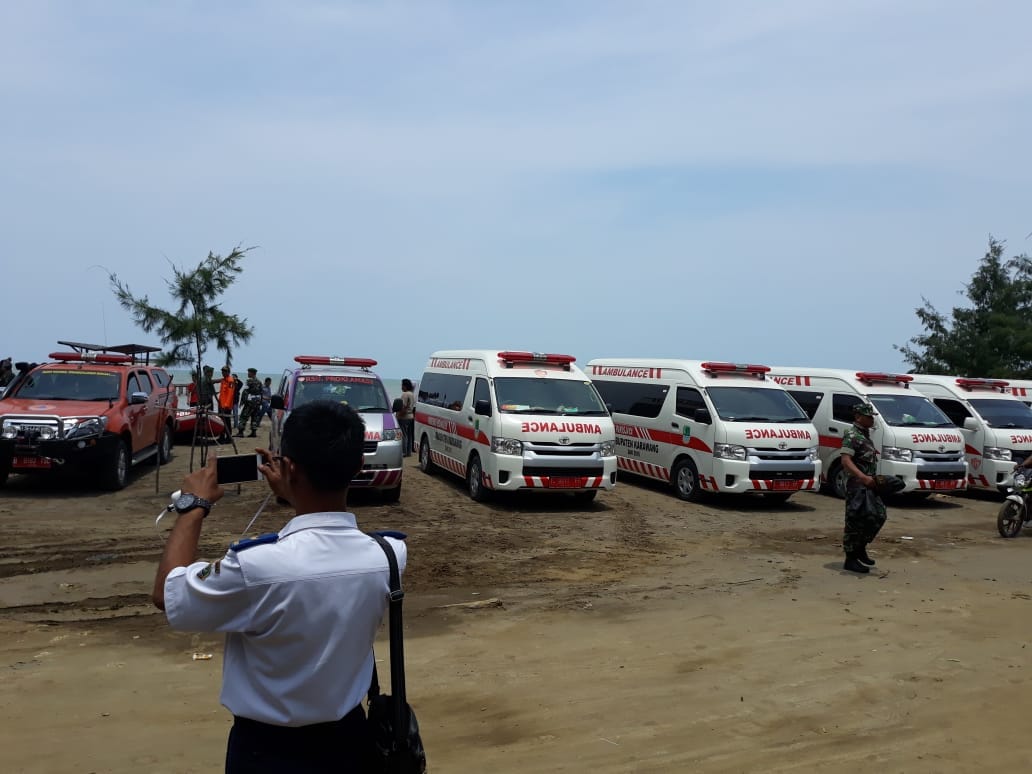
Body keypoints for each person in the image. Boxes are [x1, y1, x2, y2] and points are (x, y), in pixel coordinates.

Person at [152, 400, 407, 773]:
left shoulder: (256, 565)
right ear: (358, 467)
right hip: (351, 743)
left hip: (267, 750)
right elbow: (325, 543)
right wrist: (295, 492)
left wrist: (194, 506)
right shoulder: (390, 555)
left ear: (288, 467)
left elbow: (167, 594)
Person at [839, 403, 886, 574]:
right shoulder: (852, 435)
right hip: (857, 486)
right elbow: (846, 460)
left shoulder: (864, 435)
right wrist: (862, 477)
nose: (872, 419)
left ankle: (860, 548)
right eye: (868, 416)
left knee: (878, 515)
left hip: (869, 486)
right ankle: (850, 558)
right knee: (855, 521)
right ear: (858, 417)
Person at [236, 368, 264, 438]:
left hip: (250, 402)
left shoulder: (249, 381)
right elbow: (261, 393)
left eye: (249, 372)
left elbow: (245, 391)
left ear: (252, 373)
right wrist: (260, 402)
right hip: (257, 402)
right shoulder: (259, 382)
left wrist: (242, 401)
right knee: (255, 417)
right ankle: (253, 432)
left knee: (244, 416)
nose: (248, 374)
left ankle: (240, 432)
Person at [212, 367, 237, 437]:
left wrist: (226, 405)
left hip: (226, 406)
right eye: (222, 371)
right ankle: (222, 436)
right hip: (221, 404)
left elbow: (230, 394)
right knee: (221, 421)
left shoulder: (230, 381)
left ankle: (229, 437)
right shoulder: (223, 380)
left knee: (227, 421)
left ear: (228, 372)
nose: (223, 373)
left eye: (225, 371)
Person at [397, 378, 416, 457]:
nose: (401, 387)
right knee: (409, 435)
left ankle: (404, 452)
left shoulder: (405, 394)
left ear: (405, 386)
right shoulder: (412, 394)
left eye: (402, 385)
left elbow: (404, 406)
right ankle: (408, 452)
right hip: (411, 416)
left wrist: (399, 415)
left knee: (404, 435)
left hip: (404, 417)